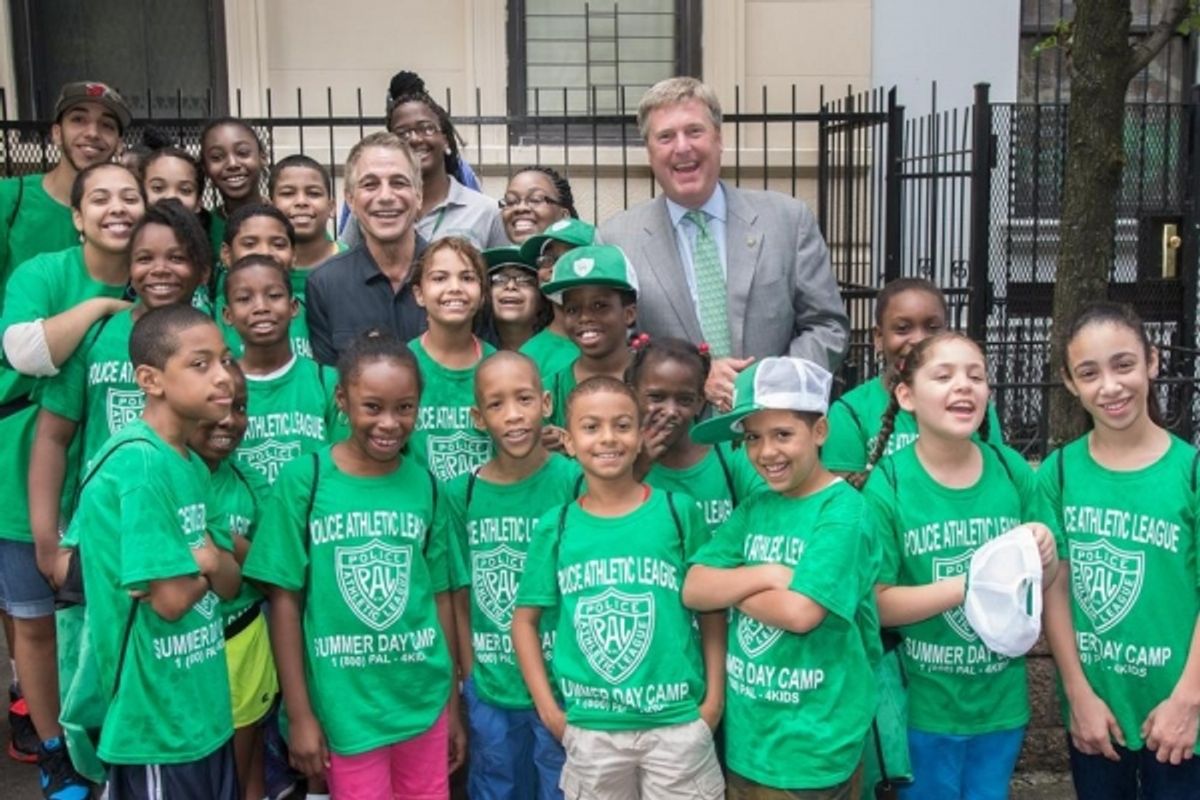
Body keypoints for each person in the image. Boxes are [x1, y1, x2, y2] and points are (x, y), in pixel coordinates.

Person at [243, 329, 464, 799]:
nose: (389, 423)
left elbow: (440, 598)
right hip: (344, 707)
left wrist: (452, 709)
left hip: (420, 700)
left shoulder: (426, 485)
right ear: (342, 400)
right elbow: (284, 599)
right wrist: (300, 715)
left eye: (405, 408)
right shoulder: (305, 479)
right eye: (373, 407)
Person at [862, 332, 1058, 800]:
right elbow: (878, 604)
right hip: (922, 709)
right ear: (906, 395)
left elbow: (1041, 585)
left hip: (1001, 704)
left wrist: (1043, 554)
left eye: (976, 376)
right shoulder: (887, 484)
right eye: (944, 375)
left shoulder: (1012, 471)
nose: (964, 386)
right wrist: (971, 584)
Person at [512, 375, 725, 800]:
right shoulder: (557, 526)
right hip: (592, 730)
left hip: (677, 723)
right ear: (569, 442)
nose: (608, 438)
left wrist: (713, 703)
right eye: (591, 427)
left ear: (641, 435)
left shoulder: (677, 512)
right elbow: (523, 622)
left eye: (622, 425)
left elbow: (712, 610)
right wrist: (551, 712)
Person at [29, 201, 211, 696]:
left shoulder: (215, 338)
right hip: (103, 531)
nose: (160, 270)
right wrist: (49, 540)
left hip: (181, 530)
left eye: (176, 257)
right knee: (103, 667)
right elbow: (53, 435)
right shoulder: (99, 336)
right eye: (145, 257)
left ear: (200, 265)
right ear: (128, 266)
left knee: (176, 658)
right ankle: (101, 767)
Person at [0, 161, 141, 798]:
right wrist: (100, 307)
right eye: (100, 199)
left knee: (105, 622)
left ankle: (108, 744)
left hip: (114, 488)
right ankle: (56, 750)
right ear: (77, 217)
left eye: (130, 196)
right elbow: (25, 351)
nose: (117, 209)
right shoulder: (45, 273)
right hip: (29, 466)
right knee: (35, 619)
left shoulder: (160, 282)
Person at [61, 304, 242, 799]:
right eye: (200, 364)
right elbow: (171, 601)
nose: (223, 377)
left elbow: (230, 583)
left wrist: (204, 567)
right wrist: (205, 560)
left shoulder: (192, 466)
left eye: (225, 360)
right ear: (150, 379)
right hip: (154, 725)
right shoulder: (140, 465)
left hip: (203, 711)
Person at [682, 356, 879, 798]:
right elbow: (694, 587)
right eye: (753, 437)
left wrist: (733, 585)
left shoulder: (842, 510)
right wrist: (768, 573)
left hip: (814, 747)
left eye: (783, 434)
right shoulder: (757, 508)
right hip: (749, 740)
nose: (766, 452)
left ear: (820, 432)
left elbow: (800, 612)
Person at [597, 76, 849, 410]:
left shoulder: (788, 221)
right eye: (666, 136)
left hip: (773, 427)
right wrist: (693, 377)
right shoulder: (616, 239)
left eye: (694, 131)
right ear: (650, 152)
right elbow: (613, 346)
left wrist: (765, 383)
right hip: (675, 444)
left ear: (719, 139)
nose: (682, 147)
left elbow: (827, 327)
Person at [1040, 302, 1200, 797]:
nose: (1110, 386)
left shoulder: (1189, 472)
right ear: (1071, 383)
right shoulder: (1059, 473)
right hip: (1098, 713)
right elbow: (1055, 588)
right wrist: (1077, 694)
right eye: (1090, 373)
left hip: (1177, 713)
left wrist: (1188, 700)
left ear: (1152, 362)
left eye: (1123, 364)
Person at [446, 351, 582, 800]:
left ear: (545, 403)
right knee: (497, 788)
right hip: (492, 685)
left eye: (523, 399)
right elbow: (460, 594)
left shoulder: (575, 481)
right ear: (478, 417)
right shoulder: (460, 493)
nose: (513, 415)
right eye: (496, 404)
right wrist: (468, 676)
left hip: (564, 684)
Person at [187, 364, 275, 800]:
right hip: (181, 647)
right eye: (215, 406)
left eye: (239, 408)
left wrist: (222, 538)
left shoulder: (248, 480)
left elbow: (274, 570)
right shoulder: (163, 472)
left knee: (240, 770)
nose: (228, 420)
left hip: (241, 640)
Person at [822, 278, 1003, 485]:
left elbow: (996, 479)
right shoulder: (850, 412)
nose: (919, 339)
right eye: (902, 328)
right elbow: (843, 498)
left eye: (933, 328)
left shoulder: (973, 407)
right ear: (879, 337)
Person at [340, 72, 505, 250]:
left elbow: (503, 274)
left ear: (446, 139)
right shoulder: (373, 210)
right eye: (403, 133)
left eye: (426, 128)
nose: (415, 139)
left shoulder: (486, 212)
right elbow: (345, 266)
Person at [306, 133, 428, 365]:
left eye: (398, 183)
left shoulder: (456, 277)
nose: (385, 196)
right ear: (350, 200)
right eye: (370, 185)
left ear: (419, 195)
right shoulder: (325, 284)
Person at [0, 81, 130, 296]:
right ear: (57, 133)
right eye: (79, 120)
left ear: (119, 143)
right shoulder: (10, 197)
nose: (93, 133)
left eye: (107, 125)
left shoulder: (128, 212)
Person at [222, 255, 341, 486]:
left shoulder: (327, 381)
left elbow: (343, 463)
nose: (261, 307)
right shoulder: (219, 384)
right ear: (228, 315)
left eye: (274, 296)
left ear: (293, 306)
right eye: (244, 299)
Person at [629, 337, 762, 528]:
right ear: (632, 395)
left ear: (700, 402)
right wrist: (639, 467)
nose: (670, 411)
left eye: (684, 400)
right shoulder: (619, 458)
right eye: (656, 397)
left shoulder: (730, 452)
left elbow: (765, 506)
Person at [407, 237, 496, 481]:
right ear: (419, 294)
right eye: (439, 278)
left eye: (467, 278)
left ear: (482, 295)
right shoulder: (402, 366)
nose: (455, 287)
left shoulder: (500, 369)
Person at [540, 245, 638, 436]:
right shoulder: (550, 390)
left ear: (629, 314)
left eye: (599, 305)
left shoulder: (655, 379)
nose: (584, 317)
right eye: (572, 309)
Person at [215, 204, 311, 359]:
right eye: (250, 244)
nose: (265, 252)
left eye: (278, 244)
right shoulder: (212, 314)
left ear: (293, 256)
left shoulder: (313, 308)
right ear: (226, 254)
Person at [517, 217, 594, 379]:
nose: (555, 269)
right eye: (546, 260)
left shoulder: (615, 344)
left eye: (569, 259)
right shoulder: (529, 356)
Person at [200, 118, 268, 271]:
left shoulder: (287, 219)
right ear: (205, 168)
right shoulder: (202, 229)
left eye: (242, 153)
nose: (232, 164)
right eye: (217, 157)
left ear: (262, 157)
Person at [268, 155, 343, 274]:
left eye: (313, 193)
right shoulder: (256, 268)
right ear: (270, 207)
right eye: (288, 193)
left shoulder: (355, 264)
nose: (301, 202)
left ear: (331, 207)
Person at [485, 246, 544, 352]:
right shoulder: (471, 351)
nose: (511, 286)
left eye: (525, 280)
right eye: (499, 279)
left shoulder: (563, 354)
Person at [500, 166, 577, 245]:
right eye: (510, 202)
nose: (520, 208)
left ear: (564, 216)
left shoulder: (583, 256)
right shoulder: (494, 257)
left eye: (535, 200)